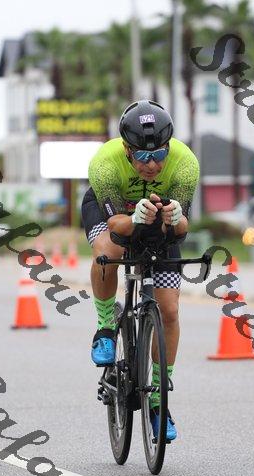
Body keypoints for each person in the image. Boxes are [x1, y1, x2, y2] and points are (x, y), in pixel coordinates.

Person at [81, 99, 200, 441]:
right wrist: (134, 217)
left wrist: (175, 218)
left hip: (159, 222)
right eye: (143, 157)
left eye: (159, 155)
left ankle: (159, 402)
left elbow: (181, 230)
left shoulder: (185, 164)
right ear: (126, 149)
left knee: (170, 311)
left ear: (169, 147)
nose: (152, 165)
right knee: (108, 251)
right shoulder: (105, 164)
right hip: (115, 215)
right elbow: (116, 225)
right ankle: (106, 327)